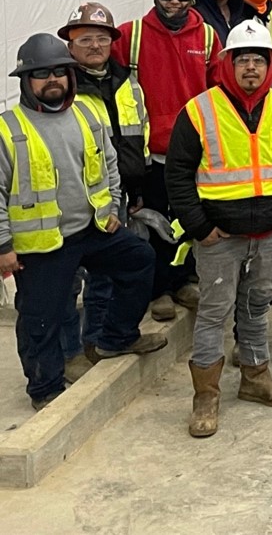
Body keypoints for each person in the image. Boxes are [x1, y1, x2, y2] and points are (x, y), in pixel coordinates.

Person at [3, 34, 164, 411]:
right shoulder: (8, 129)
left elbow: (108, 164)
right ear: (26, 81)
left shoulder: (87, 115)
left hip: (92, 229)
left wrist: (109, 210)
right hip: (42, 245)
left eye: (60, 71)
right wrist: (3, 247)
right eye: (41, 74)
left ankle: (115, 337)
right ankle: (45, 389)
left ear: (71, 76)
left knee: (139, 259)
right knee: (40, 319)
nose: (53, 80)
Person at [166, 19, 272, 437]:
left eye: (258, 60)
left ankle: (255, 377)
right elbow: (177, 174)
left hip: (270, 234)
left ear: (270, 66)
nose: (251, 68)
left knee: (257, 307)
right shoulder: (200, 110)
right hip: (218, 237)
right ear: (228, 64)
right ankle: (206, 396)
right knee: (213, 312)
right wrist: (199, 227)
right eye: (242, 59)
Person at [114, 0, 219, 321]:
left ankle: (184, 279)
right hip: (149, 153)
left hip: (193, 151)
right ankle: (158, 290)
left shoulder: (206, 37)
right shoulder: (132, 35)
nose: (174, 2)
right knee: (152, 221)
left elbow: (218, 91)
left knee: (189, 217)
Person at [60, 3, 148, 374]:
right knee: (68, 282)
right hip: (75, 202)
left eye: (101, 38)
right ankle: (69, 355)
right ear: (70, 46)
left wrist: (134, 190)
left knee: (108, 274)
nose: (95, 46)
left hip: (117, 194)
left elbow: (137, 135)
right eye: (85, 40)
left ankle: (97, 340)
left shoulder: (127, 82)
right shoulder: (61, 86)